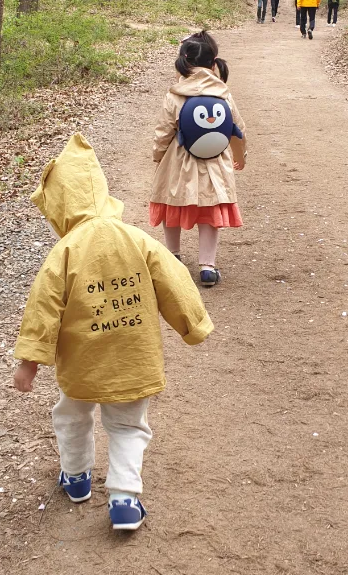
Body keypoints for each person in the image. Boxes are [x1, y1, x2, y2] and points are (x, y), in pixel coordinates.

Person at [13, 133, 213, 532]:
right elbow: (173, 283)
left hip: (81, 364)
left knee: (72, 415)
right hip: (131, 359)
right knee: (127, 426)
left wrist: (29, 363)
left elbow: (43, 308)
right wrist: (193, 325)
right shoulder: (137, 239)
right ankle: (124, 497)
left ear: (61, 206)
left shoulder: (64, 251)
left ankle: (76, 478)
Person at [150, 31, 247, 288]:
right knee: (209, 213)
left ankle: (173, 258)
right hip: (214, 163)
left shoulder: (175, 95)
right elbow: (237, 129)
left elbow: (163, 132)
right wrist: (240, 156)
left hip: (178, 162)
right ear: (213, 62)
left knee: (173, 206)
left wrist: (159, 157)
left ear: (183, 61)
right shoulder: (223, 93)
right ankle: (207, 266)